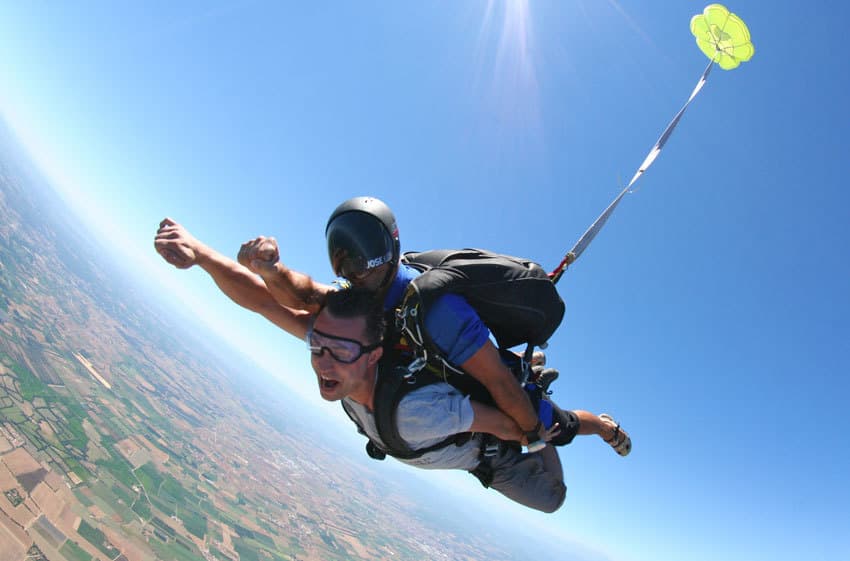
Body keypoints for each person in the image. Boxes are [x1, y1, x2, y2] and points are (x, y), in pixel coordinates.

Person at [156, 198, 547, 446]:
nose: (352, 273)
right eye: (343, 262)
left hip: (479, 388)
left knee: (552, 461)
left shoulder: (438, 311)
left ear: (387, 255)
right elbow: (292, 297)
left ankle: (602, 426)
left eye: (360, 262)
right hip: (432, 382)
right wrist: (219, 257)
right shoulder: (361, 303)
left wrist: (532, 433)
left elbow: (497, 383)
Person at [308, 287, 631, 513]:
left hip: (486, 454)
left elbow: (503, 425)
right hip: (461, 432)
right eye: (316, 345)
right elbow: (270, 305)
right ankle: (521, 376)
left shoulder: (412, 413)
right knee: (519, 406)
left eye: (337, 352)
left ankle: (604, 427)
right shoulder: (344, 366)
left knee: (552, 492)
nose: (323, 361)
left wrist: (532, 427)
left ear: (370, 355)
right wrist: (269, 270)